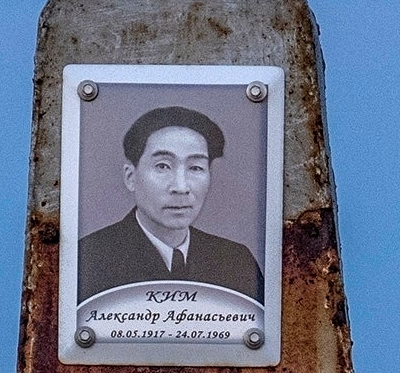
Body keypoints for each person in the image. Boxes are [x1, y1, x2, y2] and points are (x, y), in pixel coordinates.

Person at [77, 103, 263, 301]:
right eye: (163, 166)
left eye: (196, 168)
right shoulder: (89, 260)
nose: (181, 187)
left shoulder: (235, 261)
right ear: (130, 177)